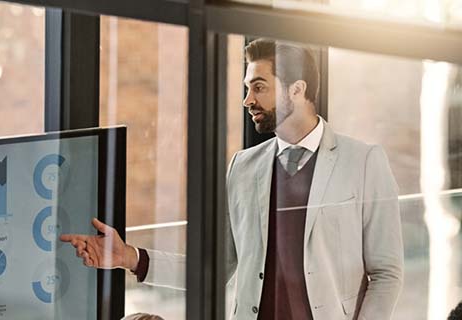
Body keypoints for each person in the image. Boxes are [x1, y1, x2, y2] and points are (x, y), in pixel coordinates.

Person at [61, 38, 404, 320]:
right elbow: (218, 267)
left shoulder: (363, 162)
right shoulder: (243, 166)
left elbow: (386, 273)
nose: (247, 100)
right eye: (246, 87)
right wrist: (129, 257)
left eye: (259, 87)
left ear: (297, 90)